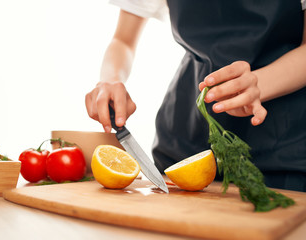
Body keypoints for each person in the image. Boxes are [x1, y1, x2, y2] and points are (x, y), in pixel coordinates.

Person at [85, 0, 306, 192]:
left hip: (283, 143)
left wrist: (259, 84)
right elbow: (123, 40)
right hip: (184, 138)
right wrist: (110, 79)